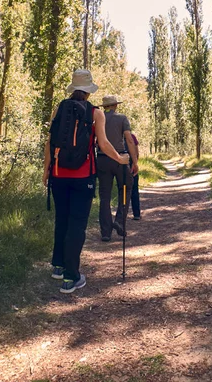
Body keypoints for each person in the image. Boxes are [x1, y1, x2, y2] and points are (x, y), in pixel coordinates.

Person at [42, 69, 130, 294]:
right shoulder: (95, 113)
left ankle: (58, 266)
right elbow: (103, 144)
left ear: (73, 89)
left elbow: (49, 142)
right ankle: (71, 277)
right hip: (83, 178)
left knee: (62, 220)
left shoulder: (59, 108)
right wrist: (120, 158)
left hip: (58, 175)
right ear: (89, 91)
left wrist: (46, 171)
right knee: (77, 225)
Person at [97, 95, 138, 241]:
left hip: (102, 159)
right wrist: (134, 161)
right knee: (126, 188)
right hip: (119, 160)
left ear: (104, 107)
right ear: (116, 105)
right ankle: (119, 221)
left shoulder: (98, 119)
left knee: (105, 196)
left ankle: (106, 232)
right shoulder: (122, 118)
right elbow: (129, 139)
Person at [129, 132, 141, 220]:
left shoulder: (117, 136)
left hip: (121, 168)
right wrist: (135, 163)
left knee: (123, 190)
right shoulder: (132, 137)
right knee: (134, 190)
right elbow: (137, 153)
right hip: (132, 166)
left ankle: (122, 215)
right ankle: (136, 214)